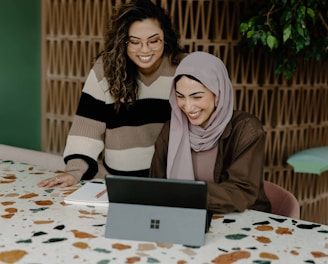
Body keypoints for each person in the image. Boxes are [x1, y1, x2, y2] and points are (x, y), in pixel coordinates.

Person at [38, 0, 186, 188]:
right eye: (135, 42)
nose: (145, 49)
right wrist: (74, 172)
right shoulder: (106, 69)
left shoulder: (183, 67)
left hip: (171, 182)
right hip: (117, 184)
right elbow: (87, 126)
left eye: (153, 40)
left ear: (165, 38)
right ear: (123, 41)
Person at [149, 51, 271, 214]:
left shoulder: (246, 129)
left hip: (242, 219)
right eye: (180, 96)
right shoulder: (172, 130)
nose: (188, 106)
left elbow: (241, 191)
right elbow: (155, 184)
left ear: (218, 93)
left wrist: (184, 195)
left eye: (197, 97)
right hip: (185, 218)